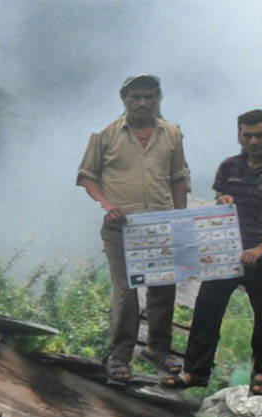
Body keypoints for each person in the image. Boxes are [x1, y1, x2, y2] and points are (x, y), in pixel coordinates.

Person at [167, 109, 262, 395]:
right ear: (239, 136)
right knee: (207, 307)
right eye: (248, 135)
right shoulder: (229, 167)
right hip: (226, 249)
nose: (254, 141)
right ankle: (195, 371)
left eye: (260, 135)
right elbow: (221, 199)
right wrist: (223, 199)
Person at [76, 73, 190, 384]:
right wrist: (105, 203)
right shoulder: (105, 135)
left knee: (163, 287)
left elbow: (179, 177)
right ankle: (119, 355)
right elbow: (87, 177)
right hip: (121, 227)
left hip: (160, 224)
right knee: (126, 292)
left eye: (148, 96)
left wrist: (180, 218)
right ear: (123, 99)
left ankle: (157, 349)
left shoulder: (172, 134)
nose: (141, 102)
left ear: (158, 99)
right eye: (135, 96)